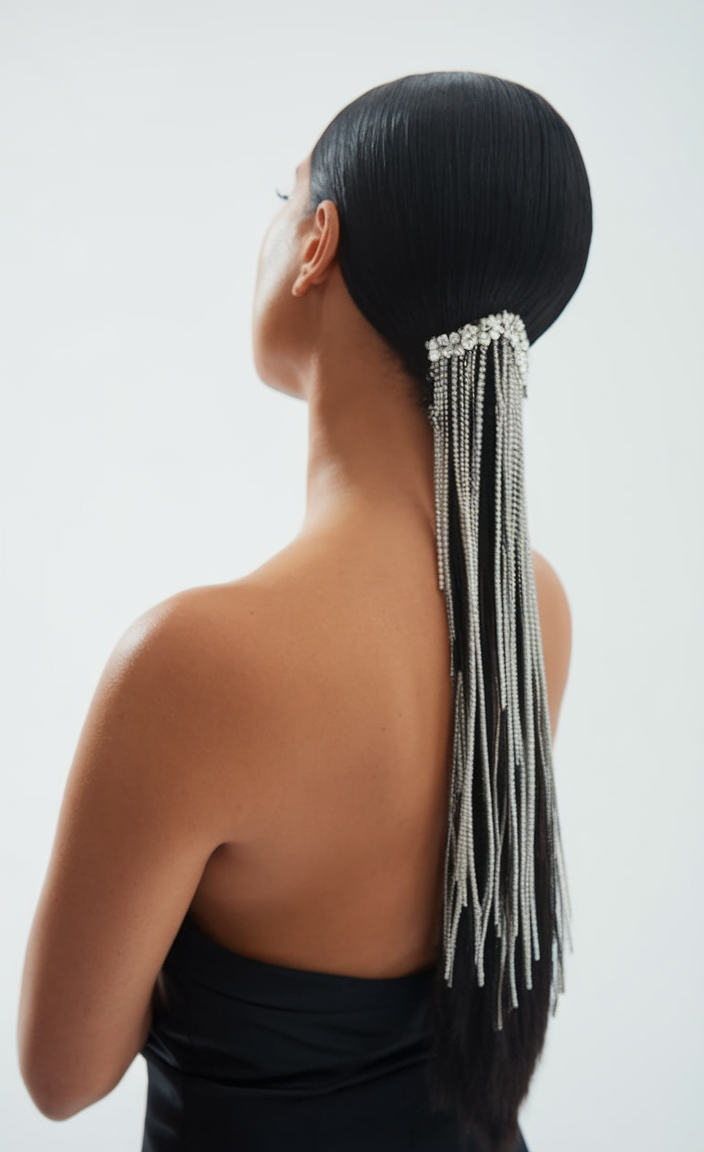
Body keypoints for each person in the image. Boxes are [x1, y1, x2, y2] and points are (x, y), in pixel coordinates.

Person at [17, 72, 591, 1151]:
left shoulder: (194, 663)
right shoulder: (529, 606)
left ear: (317, 242)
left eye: (281, 200)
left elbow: (63, 1074)